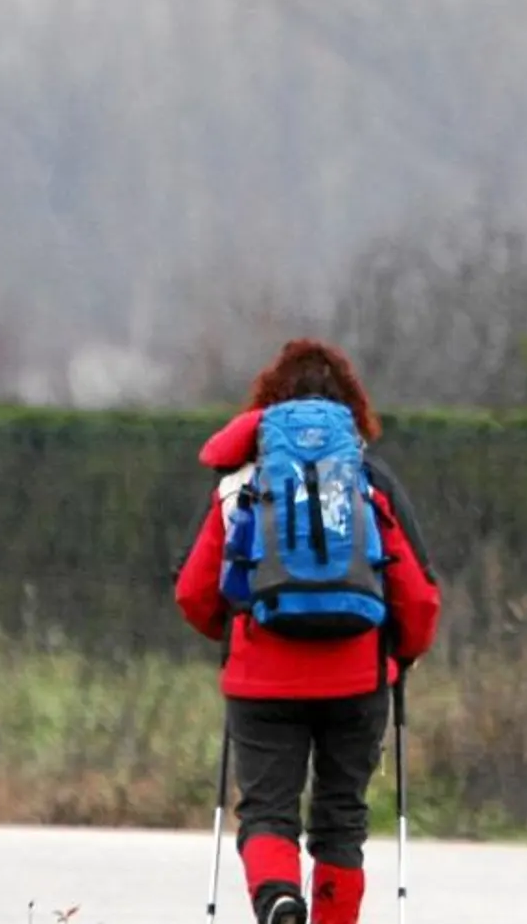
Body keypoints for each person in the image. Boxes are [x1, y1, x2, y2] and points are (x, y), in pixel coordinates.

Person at [174, 338, 442, 924]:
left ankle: (278, 901)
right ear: (351, 408)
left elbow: (195, 594)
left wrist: (233, 629)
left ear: (267, 407)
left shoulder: (238, 483)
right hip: (358, 678)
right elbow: (419, 597)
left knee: (268, 812)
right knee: (341, 820)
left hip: (262, 681)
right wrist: (407, 653)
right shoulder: (370, 482)